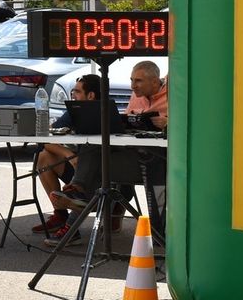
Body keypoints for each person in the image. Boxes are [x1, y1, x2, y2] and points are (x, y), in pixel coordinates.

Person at [46, 61, 169, 245]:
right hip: (131, 155)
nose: (132, 86)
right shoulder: (137, 96)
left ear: (154, 81)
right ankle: (78, 194)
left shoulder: (174, 95)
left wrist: (168, 123)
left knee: (94, 164)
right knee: (95, 145)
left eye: (138, 81)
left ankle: (77, 211)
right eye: (131, 80)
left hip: (157, 161)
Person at [29, 73, 102, 237]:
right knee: (43, 157)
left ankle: (71, 225)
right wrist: (69, 154)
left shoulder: (106, 113)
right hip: (78, 167)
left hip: (101, 174)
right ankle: (61, 215)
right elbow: (44, 139)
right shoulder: (73, 111)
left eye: (76, 92)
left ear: (90, 95)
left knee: (90, 157)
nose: (72, 96)